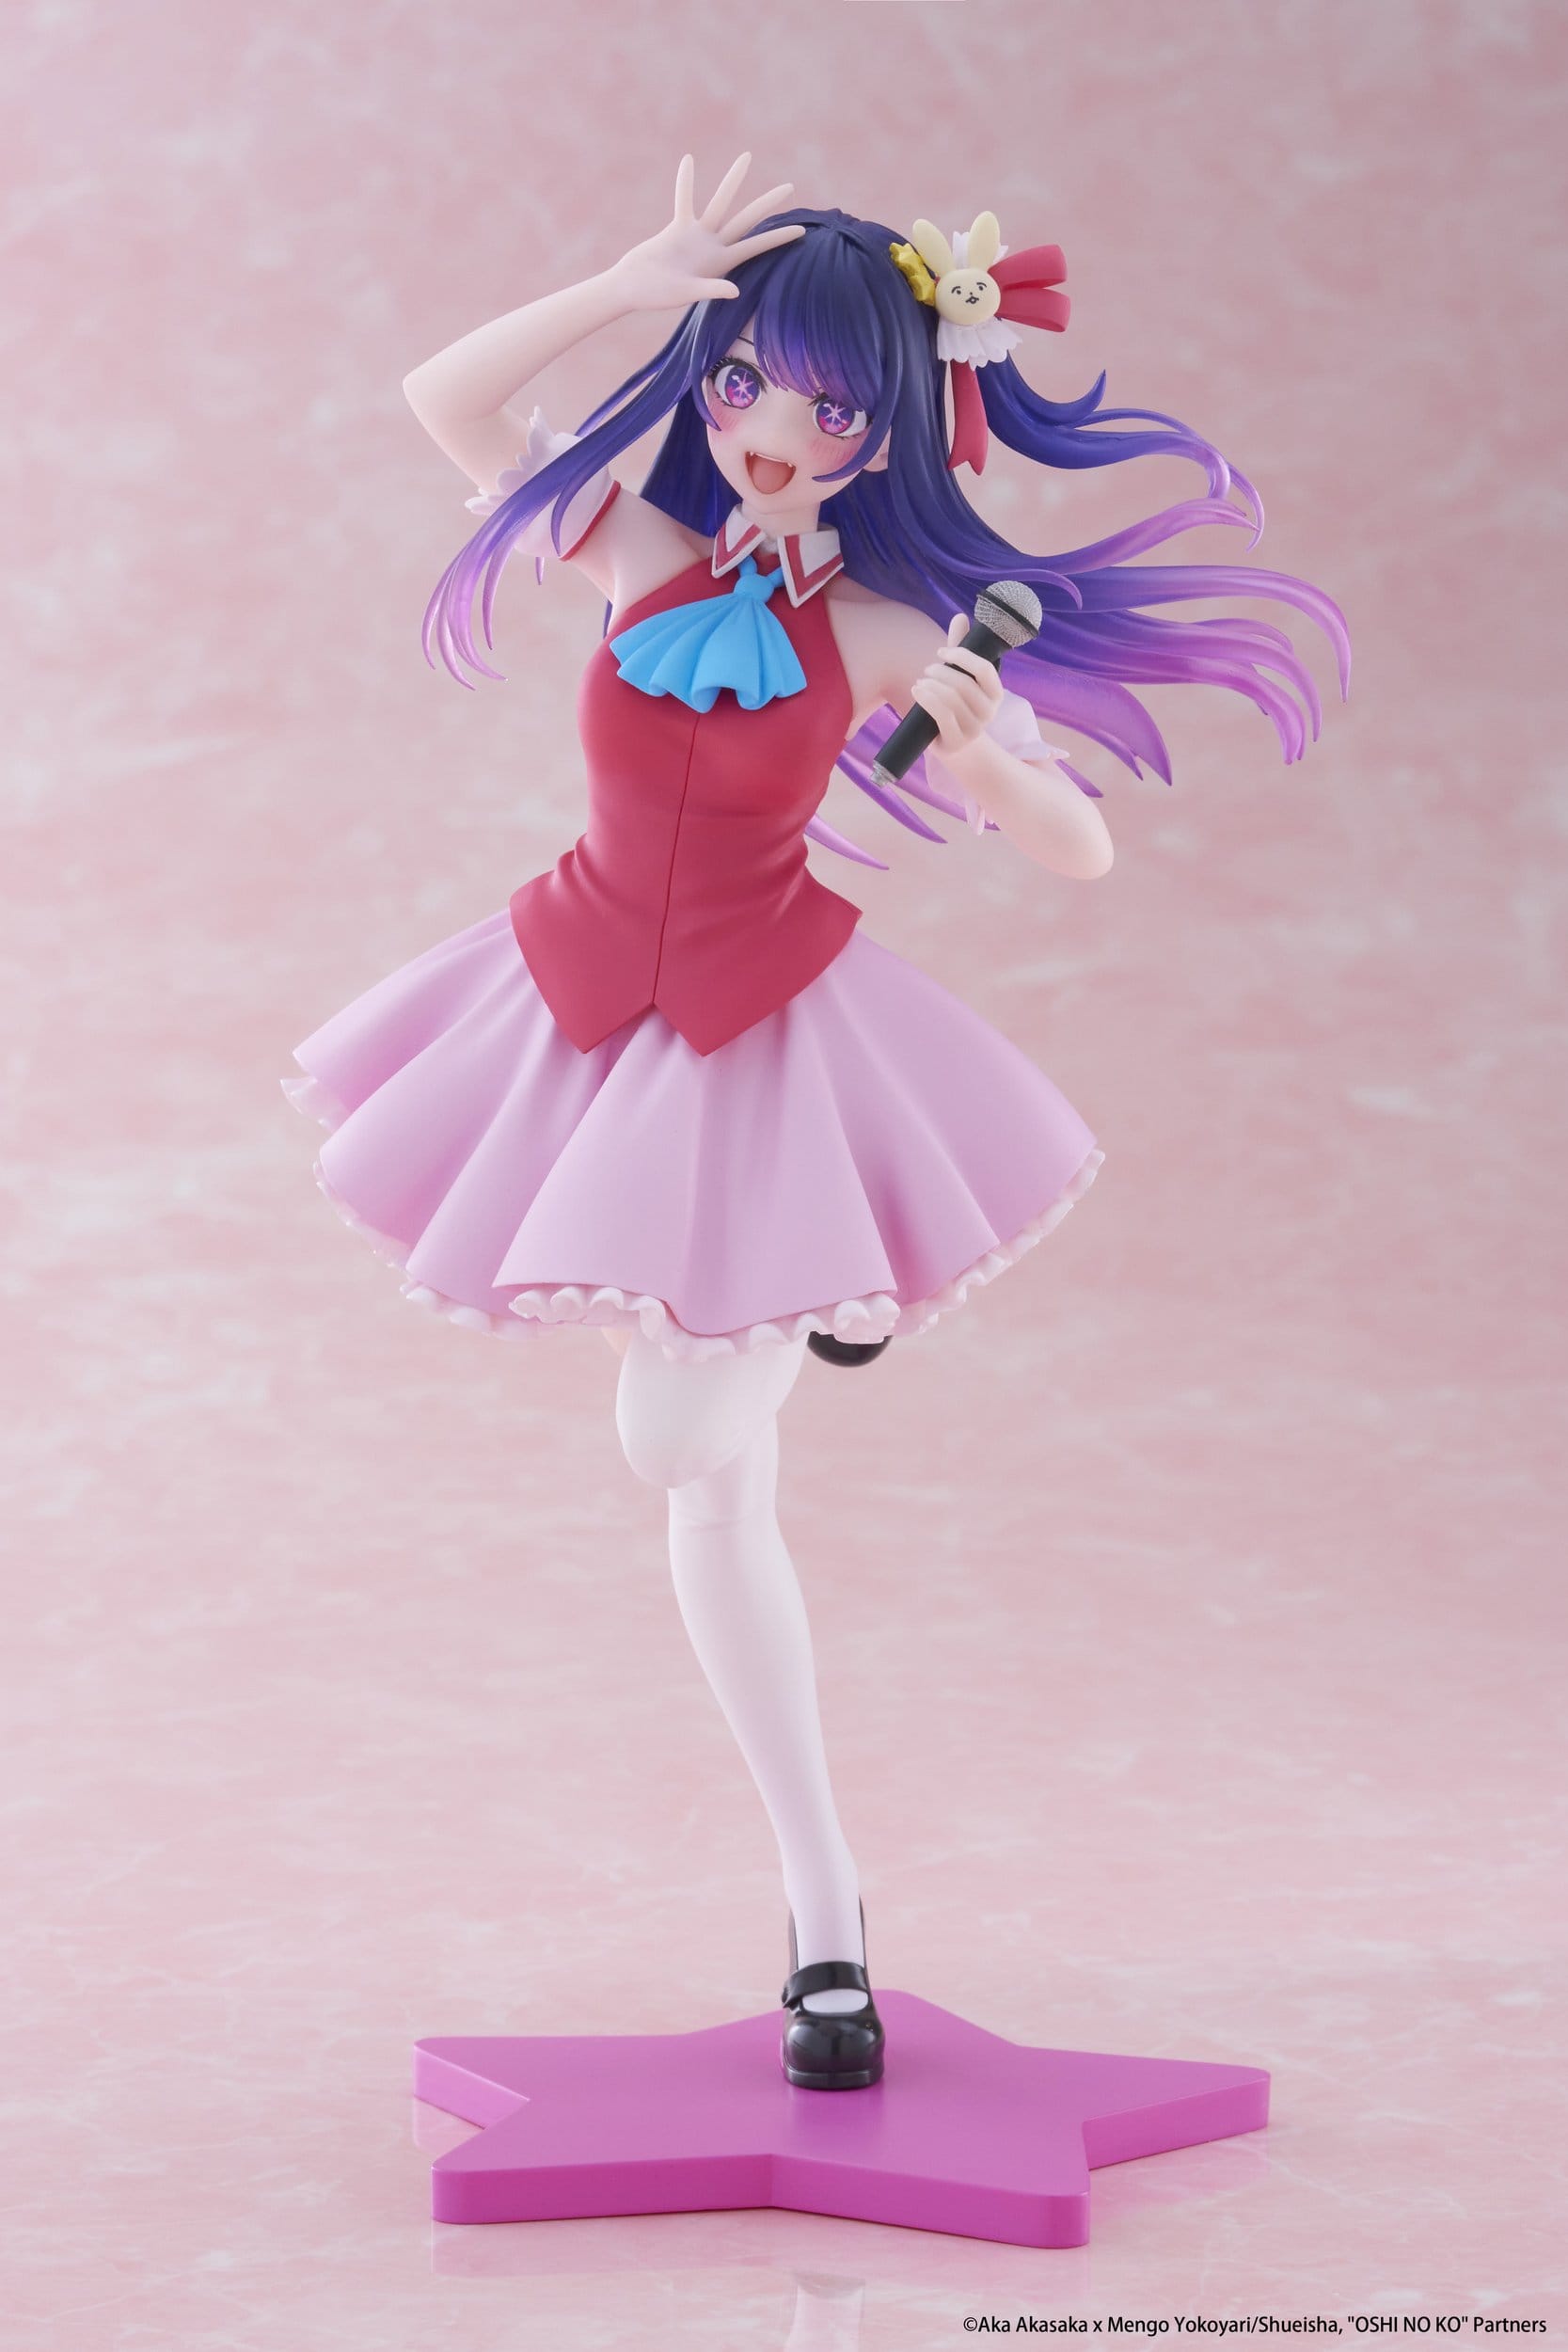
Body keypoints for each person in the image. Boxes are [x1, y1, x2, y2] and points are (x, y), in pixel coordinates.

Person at [286, 155, 1347, 2090]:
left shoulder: (884, 633)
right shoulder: (635, 553)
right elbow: (445, 399)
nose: (771, 432)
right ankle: (826, 1908)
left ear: (892, 434)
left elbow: (1082, 847)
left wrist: (991, 753)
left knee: (677, 1436)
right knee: (710, 1478)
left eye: (829, 408)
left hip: (762, 1034)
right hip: (575, 1001)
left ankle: (822, 1302)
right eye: (743, 386)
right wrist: (627, 283)